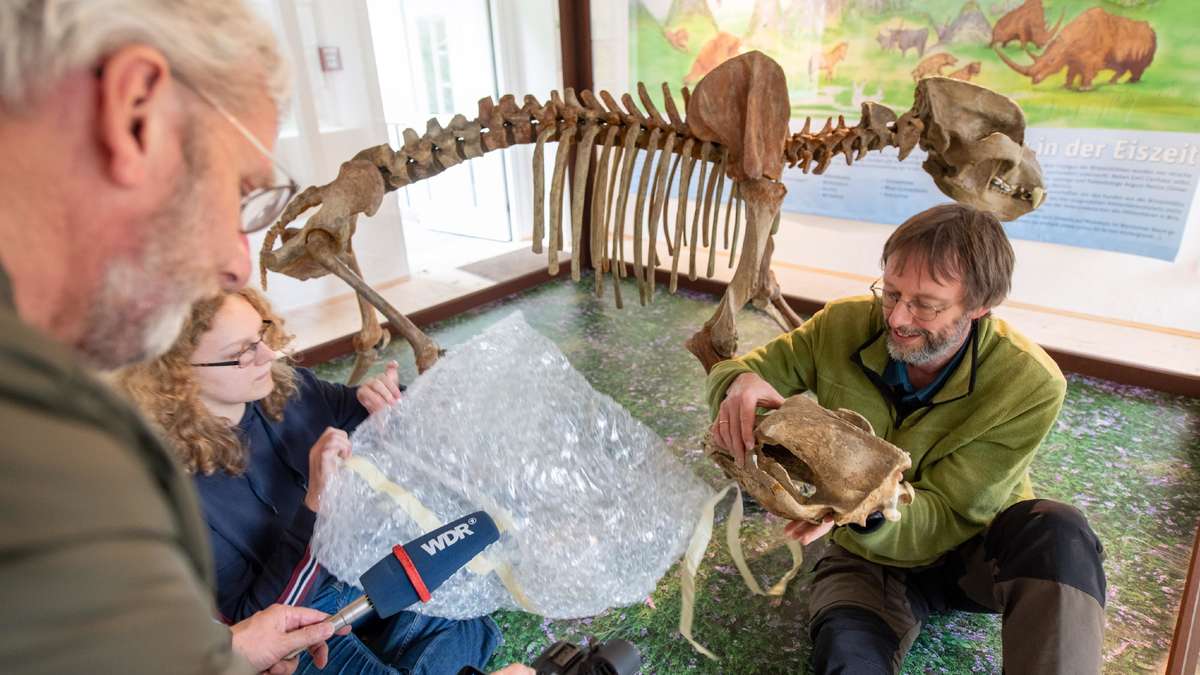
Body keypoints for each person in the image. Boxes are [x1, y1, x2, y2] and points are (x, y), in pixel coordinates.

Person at [707, 204, 1106, 674]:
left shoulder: (1031, 382)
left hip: (974, 553)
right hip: (868, 557)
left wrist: (867, 504)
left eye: (926, 305)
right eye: (891, 292)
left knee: (1059, 533)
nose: (897, 318)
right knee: (846, 656)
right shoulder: (841, 324)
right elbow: (743, 373)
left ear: (980, 305)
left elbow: (949, 514)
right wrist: (737, 384)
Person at [117, 287, 504, 675]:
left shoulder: (287, 387)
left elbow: (362, 412)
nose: (268, 355)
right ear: (177, 374)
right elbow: (256, 624)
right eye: (241, 353)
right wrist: (317, 505)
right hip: (289, 614)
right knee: (463, 634)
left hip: (349, 571)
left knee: (476, 625)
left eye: (261, 334)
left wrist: (388, 405)